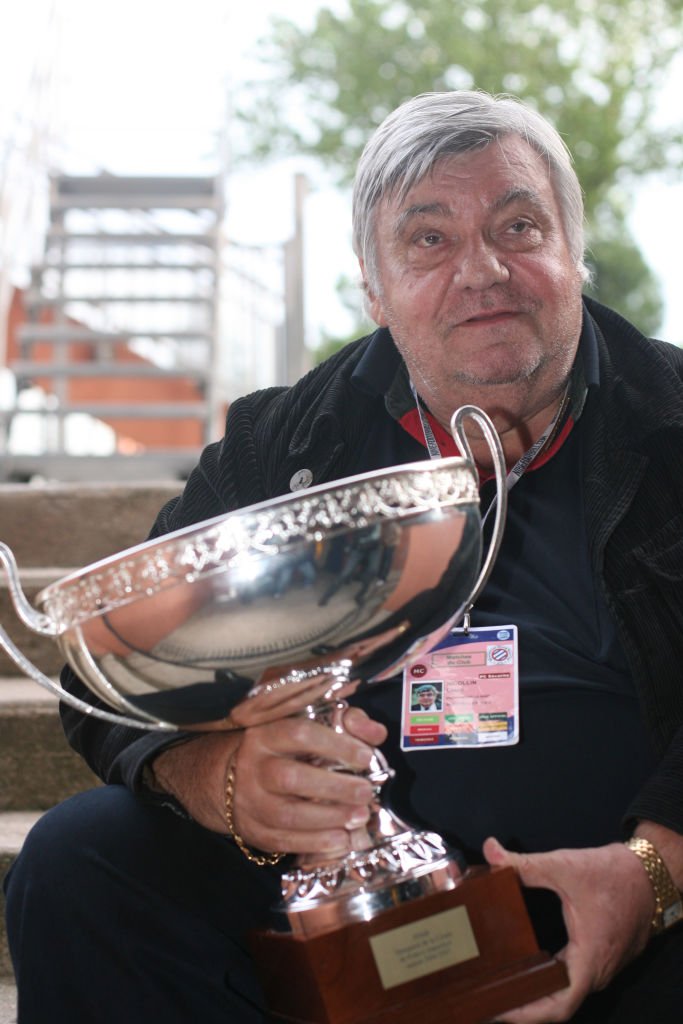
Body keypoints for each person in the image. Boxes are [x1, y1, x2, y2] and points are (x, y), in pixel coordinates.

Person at [5, 89, 683, 1024]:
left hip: (618, 893)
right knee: (82, 858)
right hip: (331, 906)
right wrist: (217, 779)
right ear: (374, 288)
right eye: (429, 240)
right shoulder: (281, 442)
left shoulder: (672, 419)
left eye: (518, 225)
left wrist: (654, 869)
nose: (482, 270)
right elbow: (115, 674)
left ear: (572, 252)